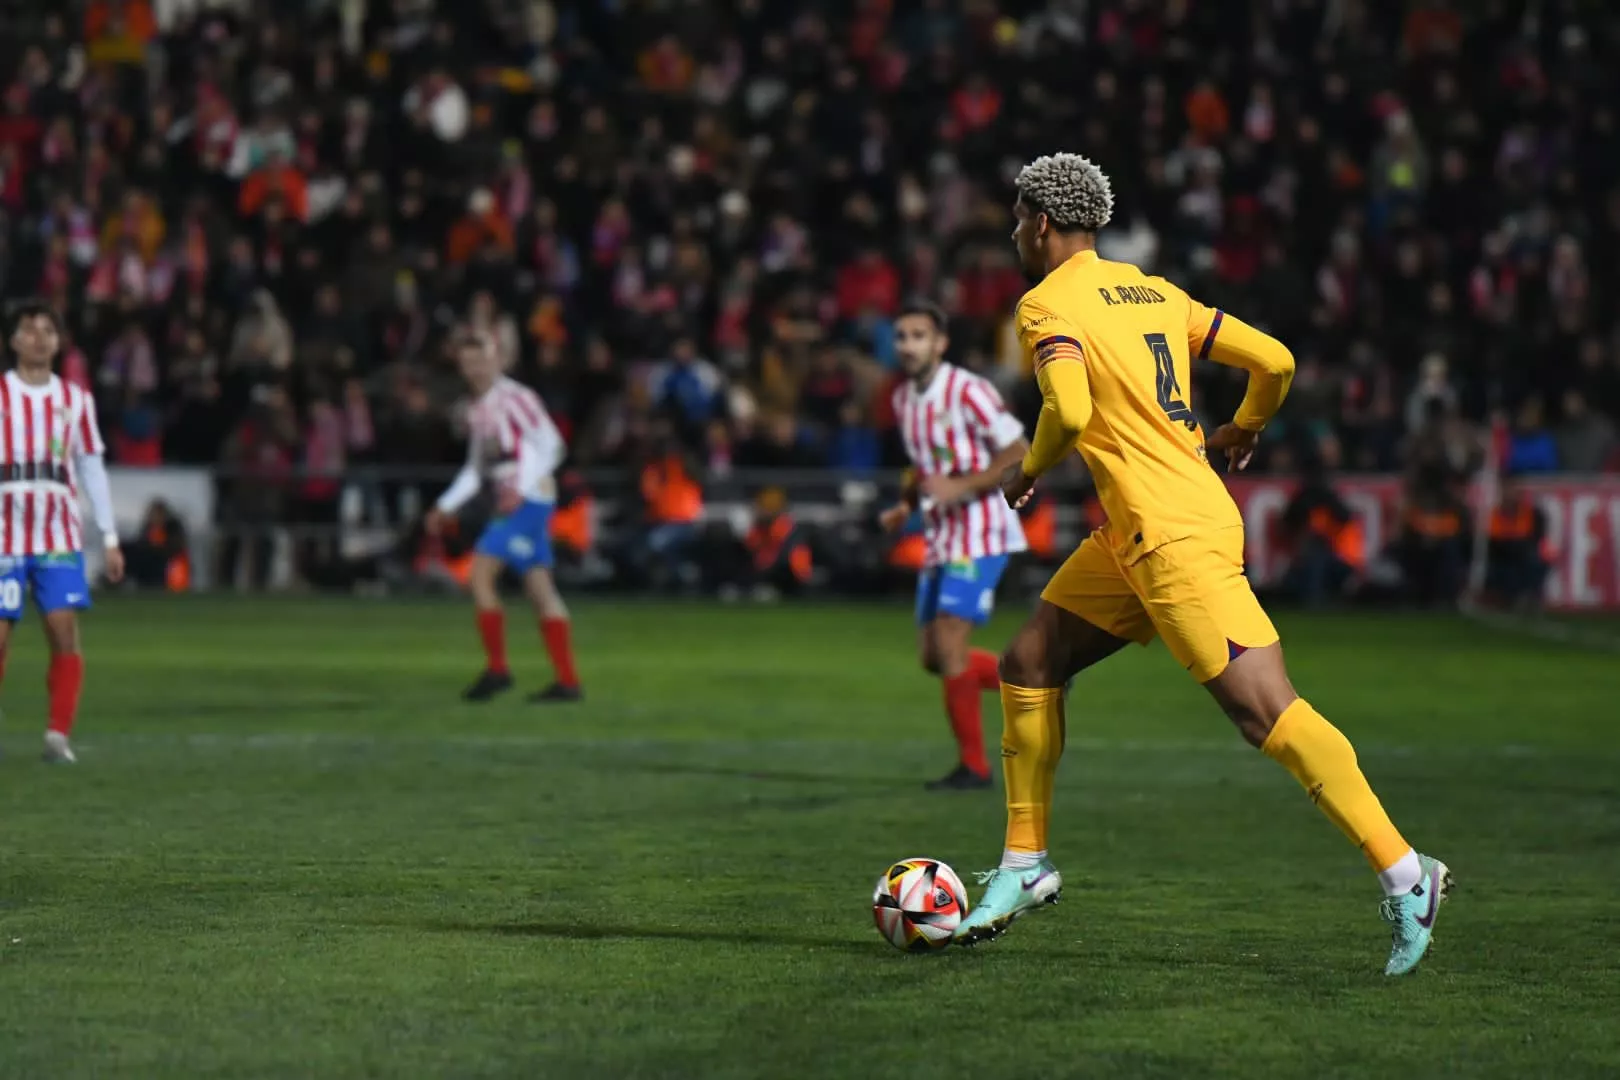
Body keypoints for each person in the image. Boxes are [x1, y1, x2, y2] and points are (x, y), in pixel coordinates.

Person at [952, 155, 1450, 978]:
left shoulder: (1044, 306)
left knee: (1266, 712)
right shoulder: (1155, 293)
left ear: (1041, 222)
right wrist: (1247, 426)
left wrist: (1029, 471)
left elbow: (1068, 409)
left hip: (1172, 538)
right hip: (1140, 533)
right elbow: (1278, 361)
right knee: (1029, 660)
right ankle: (1024, 864)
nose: (1013, 233)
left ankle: (1407, 873)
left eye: (1015, 219)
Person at [878, 301, 1030, 790]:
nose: (908, 344)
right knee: (933, 656)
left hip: (982, 531)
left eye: (919, 335)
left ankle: (975, 768)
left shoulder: (968, 390)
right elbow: (922, 465)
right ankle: (1032, 677)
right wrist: (906, 504)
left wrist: (963, 486)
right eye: (902, 336)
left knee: (949, 645)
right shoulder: (904, 399)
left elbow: (1018, 451)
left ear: (940, 343)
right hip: (942, 534)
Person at [425, 329, 581, 703]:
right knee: (540, 588)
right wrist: (446, 505)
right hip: (514, 500)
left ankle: (498, 670)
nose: (474, 369)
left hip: (529, 501)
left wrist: (521, 487)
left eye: (480, 360)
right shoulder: (478, 408)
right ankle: (567, 683)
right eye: (467, 363)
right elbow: (476, 469)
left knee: (480, 575)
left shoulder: (517, 398)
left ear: (497, 360)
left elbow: (552, 446)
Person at [0, 301, 125, 763]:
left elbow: (92, 468)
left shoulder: (76, 400)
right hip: (3, 535)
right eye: (28, 329)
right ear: (13, 341)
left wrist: (109, 536)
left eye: (47, 330)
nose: (38, 337)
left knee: (63, 630)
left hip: (55, 535)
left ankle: (57, 735)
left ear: (58, 341)